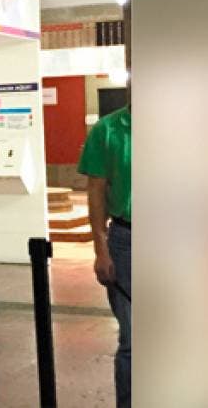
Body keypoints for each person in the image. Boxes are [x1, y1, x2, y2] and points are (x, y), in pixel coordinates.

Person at [77, 103, 131, 408]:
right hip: (126, 240)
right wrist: (101, 248)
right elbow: (96, 190)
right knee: (133, 341)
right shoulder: (107, 130)